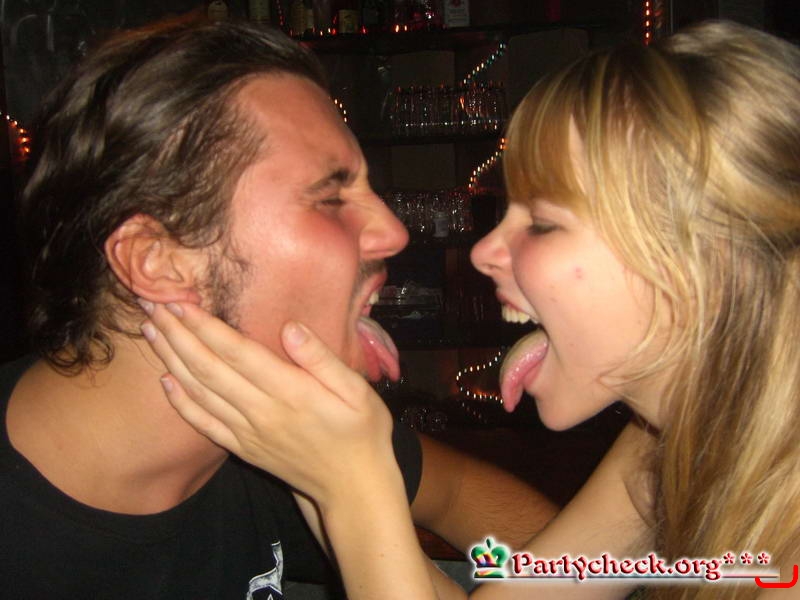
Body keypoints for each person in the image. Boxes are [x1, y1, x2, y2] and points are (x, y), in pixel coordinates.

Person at [140, 19, 800, 600]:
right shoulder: (664, 448)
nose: (484, 251)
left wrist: (353, 488)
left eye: (542, 223)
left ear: (710, 267)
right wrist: (328, 478)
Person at [1, 15, 557, 599]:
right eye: (331, 197)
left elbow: (510, 520)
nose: (393, 233)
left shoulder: (287, 427)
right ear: (158, 261)